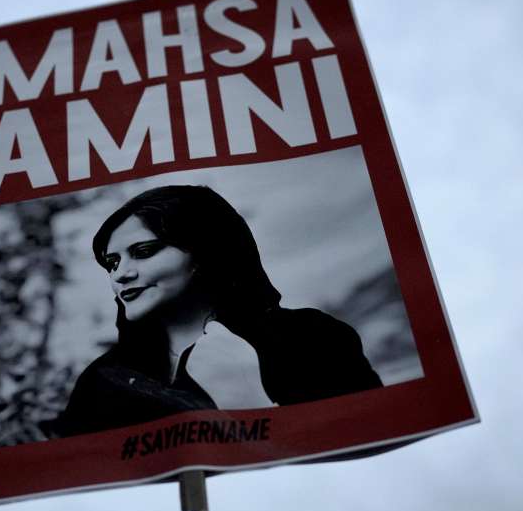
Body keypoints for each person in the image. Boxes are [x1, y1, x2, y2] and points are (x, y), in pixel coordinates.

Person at [48, 185, 382, 437]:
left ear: (205, 251)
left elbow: (367, 448)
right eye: (112, 262)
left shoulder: (313, 338)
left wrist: (252, 405)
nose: (120, 273)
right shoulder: (104, 381)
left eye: (144, 251)